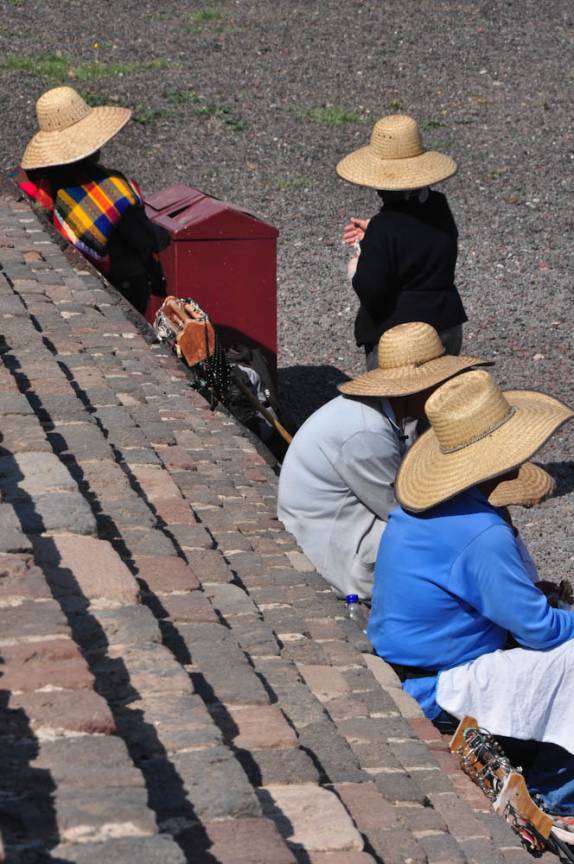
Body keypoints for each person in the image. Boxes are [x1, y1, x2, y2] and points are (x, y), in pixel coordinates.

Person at [368, 369, 574, 822]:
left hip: (407, 660)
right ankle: (554, 795)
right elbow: (540, 631)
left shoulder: (420, 510)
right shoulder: (482, 533)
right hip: (436, 683)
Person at [277, 321, 486, 598]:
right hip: (334, 551)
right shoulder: (364, 433)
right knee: (460, 552)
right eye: (439, 384)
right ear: (416, 387)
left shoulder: (385, 417)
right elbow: (405, 510)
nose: (443, 392)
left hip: (345, 525)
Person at [18, 86, 168, 315]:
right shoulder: (112, 191)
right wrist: (162, 235)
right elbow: (144, 241)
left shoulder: (36, 183)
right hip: (119, 285)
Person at [336, 114, 467, 369]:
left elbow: (370, 287)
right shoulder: (438, 206)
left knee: (395, 405)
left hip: (400, 337)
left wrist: (361, 258)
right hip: (447, 322)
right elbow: (422, 240)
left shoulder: (385, 227)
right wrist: (373, 233)